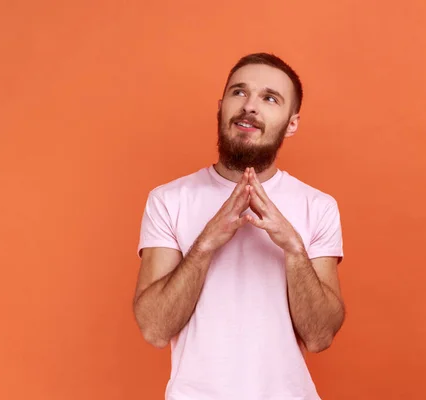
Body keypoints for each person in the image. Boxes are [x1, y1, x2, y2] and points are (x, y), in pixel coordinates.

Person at [133, 52, 345, 400]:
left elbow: (320, 337)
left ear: (291, 123)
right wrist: (205, 244)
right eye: (239, 92)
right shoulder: (168, 200)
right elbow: (155, 330)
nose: (250, 106)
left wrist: (293, 248)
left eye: (269, 98)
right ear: (221, 107)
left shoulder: (317, 207)